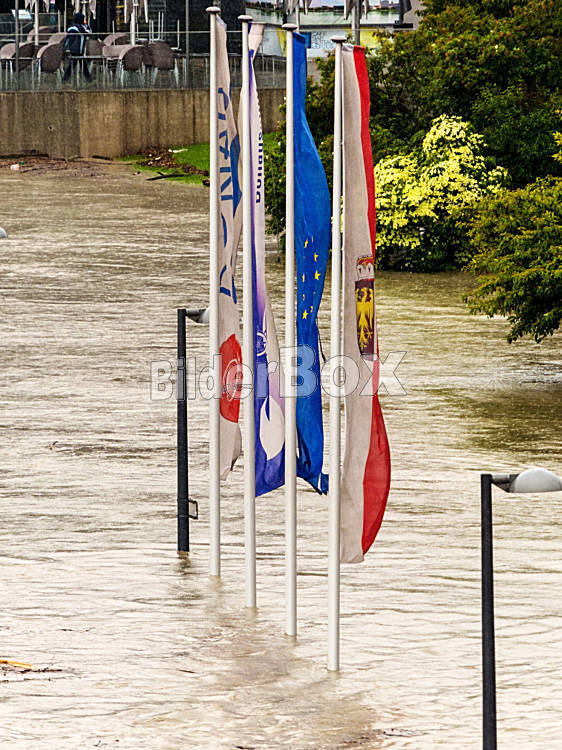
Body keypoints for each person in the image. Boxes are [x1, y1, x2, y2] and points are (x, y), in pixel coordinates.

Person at [62, 12, 92, 83]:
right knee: (81, 66)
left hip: (73, 49)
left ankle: (65, 79)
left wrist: (64, 48)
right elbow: (89, 33)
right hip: (79, 50)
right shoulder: (81, 27)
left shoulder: (71, 27)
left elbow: (67, 39)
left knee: (74, 65)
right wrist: (86, 25)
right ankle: (89, 80)